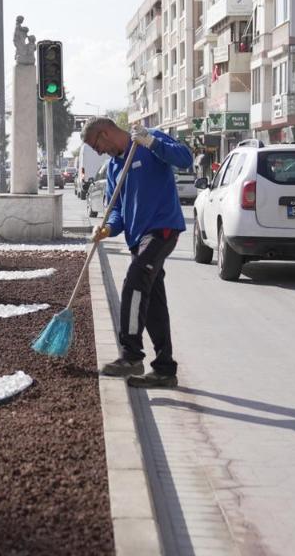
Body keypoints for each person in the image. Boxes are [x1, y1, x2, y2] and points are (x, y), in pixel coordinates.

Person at [83, 118, 192, 389]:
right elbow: (117, 209)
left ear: (105, 133)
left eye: (96, 145)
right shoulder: (114, 167)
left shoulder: (149, 140)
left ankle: (131, 355)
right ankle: (165, 369)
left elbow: (185, 159)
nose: (98, 152)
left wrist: (153, 143)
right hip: (137, 238)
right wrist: (107, 228)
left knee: (134, 282)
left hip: (161, 229)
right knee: (153, 302)